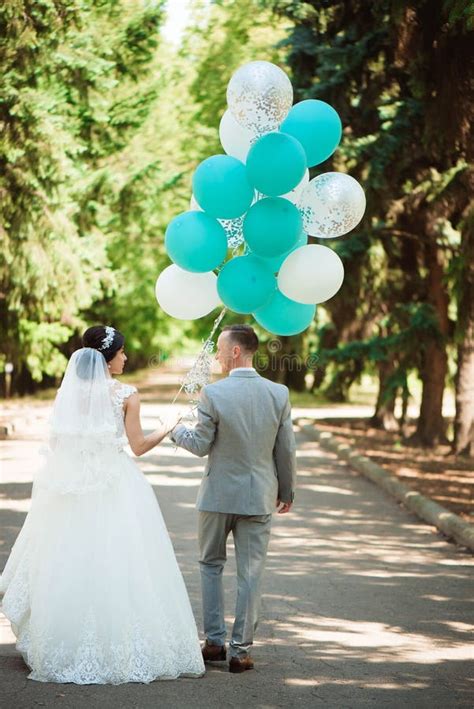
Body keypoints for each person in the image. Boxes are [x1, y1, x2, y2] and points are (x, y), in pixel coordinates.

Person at [0, 325, 205, 684]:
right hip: (114, 484)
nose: (125, 358)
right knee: (118, 559)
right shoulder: (126, 394)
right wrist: (169, 426)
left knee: (69, 557)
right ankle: (117, 642)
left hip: (69, 486)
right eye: (122, 352)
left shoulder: (68, 393)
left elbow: (60, 444)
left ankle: (60, 639)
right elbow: (138, 446)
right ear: (108, 358)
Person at [170, 324, 297, 673]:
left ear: (237, 352)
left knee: (210, 565)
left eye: (221, 350)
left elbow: (199, 445)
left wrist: (174, 429)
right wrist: (286, 492)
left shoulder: (213, 394)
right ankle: (240, 652)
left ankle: (214, 642)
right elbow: (285, 450)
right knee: (251, 574)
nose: (218, 357)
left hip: (216, 497)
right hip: (259, 498)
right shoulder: (279, 394)